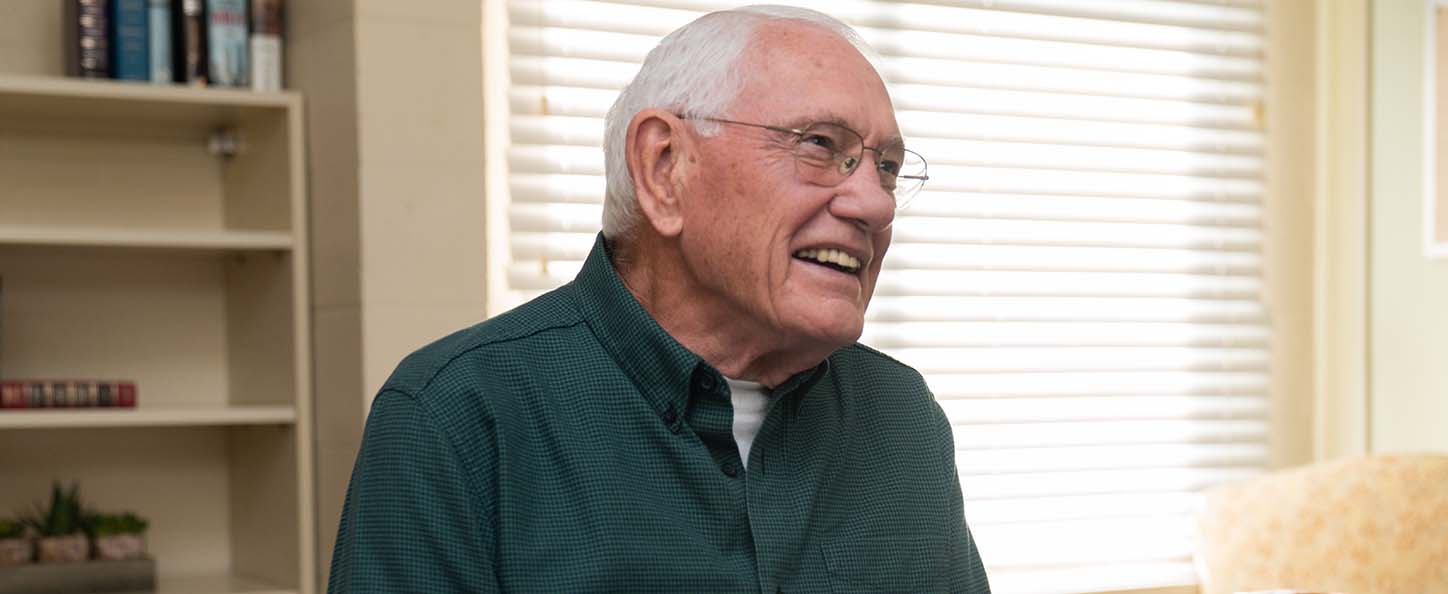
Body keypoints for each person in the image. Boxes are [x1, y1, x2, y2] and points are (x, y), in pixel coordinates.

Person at [326, 5, 990, 593]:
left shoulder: (904, 418)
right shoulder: (458, 417)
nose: (874, 203)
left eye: (888, 168)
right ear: (664, 167)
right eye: (820, 145)